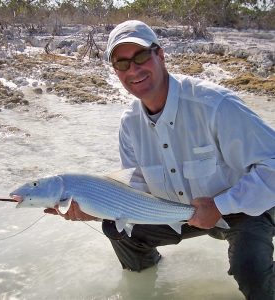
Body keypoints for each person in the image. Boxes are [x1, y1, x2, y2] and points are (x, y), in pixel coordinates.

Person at [45, 20, 275, 299]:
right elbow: (136, 192)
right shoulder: (130, 124)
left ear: (161, 55)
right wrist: (96, 209)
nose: (134, 69)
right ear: (115, 70)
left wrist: (221, 205)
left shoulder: (216, 105)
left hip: (246, 207)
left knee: (251, 271)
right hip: (179, 211)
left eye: (141, 57)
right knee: (118, 231)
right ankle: (148, 286)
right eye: (122, 64)